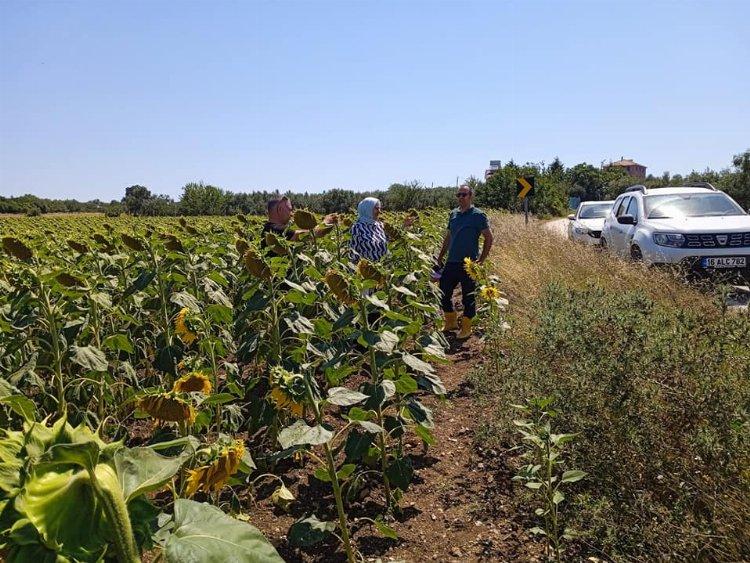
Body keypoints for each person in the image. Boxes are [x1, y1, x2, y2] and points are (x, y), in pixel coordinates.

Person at [435, 185, 493, 339]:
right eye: (458, 194)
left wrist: (481, 259)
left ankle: (467, 327)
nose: (461, 197)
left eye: (464, 194)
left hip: (469, 264)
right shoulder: (453, 214)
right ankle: (451, 321)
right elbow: (448, 237)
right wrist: (440, 257)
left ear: (471, 196)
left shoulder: (478, 215)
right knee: (443, 292)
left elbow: (488, 237)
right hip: (452, 261)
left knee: (468, 296)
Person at [350, 197, 388, 261]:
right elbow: (352, 253)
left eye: (379, 208)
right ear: (367, 209)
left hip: (384, 269)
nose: (379, 211)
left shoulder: (380, 225)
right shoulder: (357, 228)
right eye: (376, 208)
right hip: (368, 269)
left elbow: (391, 241)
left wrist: (404, 226)